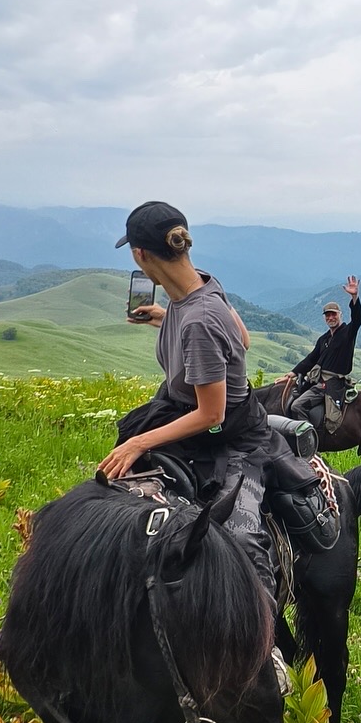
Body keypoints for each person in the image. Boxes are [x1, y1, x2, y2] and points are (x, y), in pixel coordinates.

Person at [100, 201, 275, 598]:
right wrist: (166, 318)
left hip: (228, 436)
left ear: (140, 255)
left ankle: (264, 638)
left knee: (241, 540)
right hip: (192, 414)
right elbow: (242, 339)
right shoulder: (200, 286)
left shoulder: (198, 319)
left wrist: (140, 440)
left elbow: (212, 412)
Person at [282, 277, 361, 428]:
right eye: (327, 315)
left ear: (340, 315)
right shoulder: (324, 339)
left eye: (334, 314)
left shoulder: (347, 332)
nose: (330, 317)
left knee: (297, 406)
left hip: (332, 384)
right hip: (318, 381)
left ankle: (308, 440)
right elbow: (311, 359)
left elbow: (357, 319)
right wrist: (291, 374)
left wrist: (354, 297)